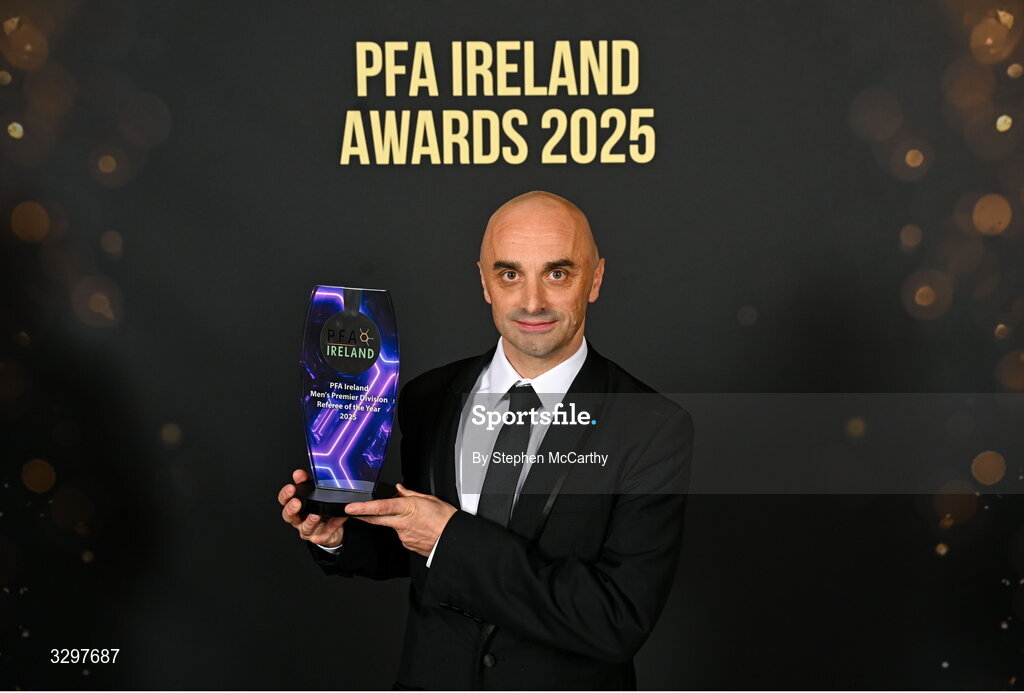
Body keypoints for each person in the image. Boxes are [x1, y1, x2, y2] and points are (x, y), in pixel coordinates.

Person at [278, 191, 694, 690]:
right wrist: (340, 535)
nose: (532, 301)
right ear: (484, 282)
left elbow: (617, 618)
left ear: (595, 279)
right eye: (510, 274)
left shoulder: (651, 426)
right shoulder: (428, 397)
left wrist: (448, 537)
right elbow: (422, 556)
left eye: (558, 273)